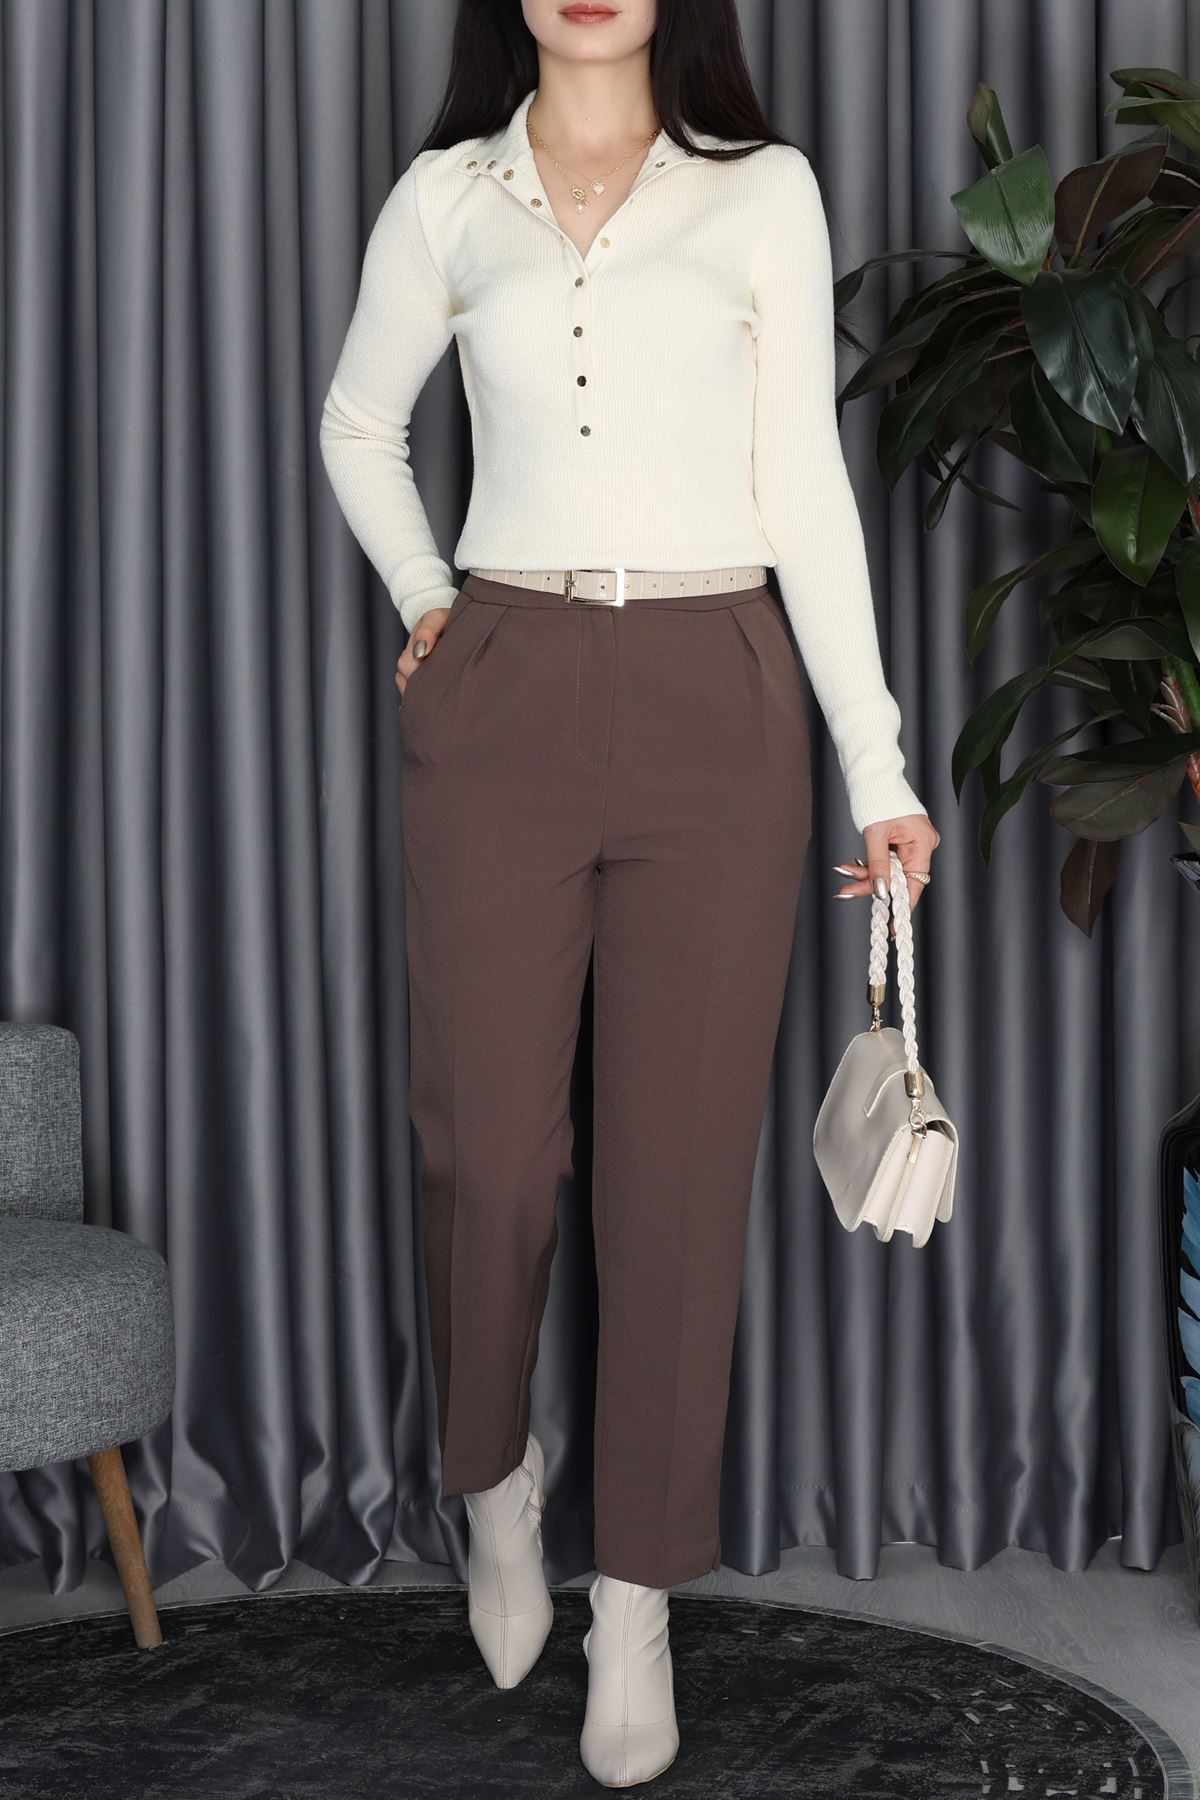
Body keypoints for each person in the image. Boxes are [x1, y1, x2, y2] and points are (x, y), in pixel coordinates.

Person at [319, 0, 941, 1786]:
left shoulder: (762, 191)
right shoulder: (448, 196)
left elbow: (805, 486)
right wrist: (429, 599)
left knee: (676, 1178)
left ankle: (638, 1603)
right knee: (488, 1147)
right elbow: (359, 424)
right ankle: (492, 1478)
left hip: (716, 697)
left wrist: (879, 764)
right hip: (504, 686)